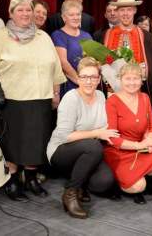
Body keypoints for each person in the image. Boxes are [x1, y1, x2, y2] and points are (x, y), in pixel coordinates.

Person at [0, 0, 66, 201]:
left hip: (41, 98)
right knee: (12, 143)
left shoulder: (43, 37)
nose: (25, 14)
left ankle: (31, 178)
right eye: (20, 10)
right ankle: (12, 180)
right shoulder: (0, 36)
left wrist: (56, 93)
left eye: (28, 10)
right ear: (11, 13)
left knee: (36, 142)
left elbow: (56, 69)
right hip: (13, 101)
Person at [47, 57, 117, 219]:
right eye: (84, 77)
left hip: (88, 152)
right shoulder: (71, 98)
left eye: (93, 77)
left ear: (99, 79)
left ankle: (82, 183)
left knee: (104, 181)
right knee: (93, 146)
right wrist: (97, 133)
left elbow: (106, 126)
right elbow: (65, 135)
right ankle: (70, 193)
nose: (88, 81)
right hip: (61, 151)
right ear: (78, 78)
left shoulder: (100, 96)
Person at [104, 63, 152, 204]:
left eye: (136, 78)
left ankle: (133, 179)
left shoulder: (144, 98)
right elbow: (112, 139)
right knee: (139, 186)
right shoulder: (112, 101)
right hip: (119, 151)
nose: (132, 83)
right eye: (128, 79)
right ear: (120, 80)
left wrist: (150, 140)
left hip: (140, 148)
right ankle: (122, 183)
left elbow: (151, 126)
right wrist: (140, 145)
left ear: (141, 80)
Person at [104, 0, 152, 112]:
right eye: (122, 10)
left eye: (129, 9)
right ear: (117, 12)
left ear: (135, 10)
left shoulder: (147, 37)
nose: (125, 13)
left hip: (138, 91)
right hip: (112, 92)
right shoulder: (104, 35)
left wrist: (145, 71)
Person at [52, 0, 92, 97]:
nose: (76, 18)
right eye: (71, 15)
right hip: (68, 85)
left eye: (78, 14)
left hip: (87, 85)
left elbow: (92, 61)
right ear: (64, 17)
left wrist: (89, 81)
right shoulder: (58, 35)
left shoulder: (87, 36)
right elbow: (63, 63)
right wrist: (80, 82)